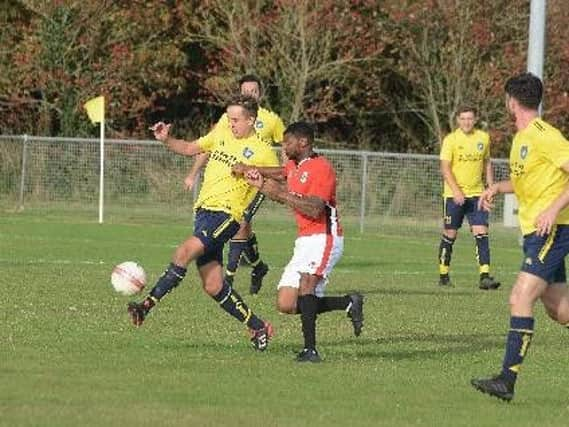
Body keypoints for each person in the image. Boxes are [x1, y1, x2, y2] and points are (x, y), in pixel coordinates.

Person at [127, 95, 279, 351]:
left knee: (184, 251)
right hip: (204, 214)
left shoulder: (263, 150)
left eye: (235, 120)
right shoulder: (221, 134)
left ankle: (146, 306)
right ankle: (258, 325)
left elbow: (277, 184)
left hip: (227, 215)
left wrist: (258, 178)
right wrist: (166, 140)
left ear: (251, 120)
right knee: (213, 286)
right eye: (229, 119)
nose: (230, 124)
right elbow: (189, 148)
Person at [471, 72, 569, 401]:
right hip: (535, 232)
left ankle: (506, 380)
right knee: (559, 308)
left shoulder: (545, 135)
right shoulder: (521, 139)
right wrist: (498, 187)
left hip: (553, 230)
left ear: (512, 101)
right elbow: (529, 182)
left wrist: (554, 210)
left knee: (520, 297)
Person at [233, 121, 364, 363]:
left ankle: (310, 350)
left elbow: (315, 209)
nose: (284, 146)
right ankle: (348, 302)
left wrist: (278, 193)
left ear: (303, 142)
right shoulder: (294, 165)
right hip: (304, 240)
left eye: (287, 142)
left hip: (324, 237)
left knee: (306, 285)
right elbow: (281, 173)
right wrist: (250, 170)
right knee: (286, 304)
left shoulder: (321, 168)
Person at [184, 74, 286, 295]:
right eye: (246, 90)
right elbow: (209, 146)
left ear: (260, 93)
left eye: (254, 90)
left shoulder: (272, 120)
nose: (250, 94)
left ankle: (229, 278)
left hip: (257, 179)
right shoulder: (227, 119)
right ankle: (258, 267)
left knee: (240, 221)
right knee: (243, 226)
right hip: (232, 179)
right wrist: (194, 172)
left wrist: (288, 173)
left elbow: (286, 146)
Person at [438, 105, 500, 290]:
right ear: (458, 120)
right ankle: (443, 275)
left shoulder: (483, 138)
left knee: (481, 233)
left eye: (470, 118)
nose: (466, 122)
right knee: (450, 235)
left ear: (475, 119)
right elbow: (445, 168)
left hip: (477, 195)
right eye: (463, 118)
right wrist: (456, 191)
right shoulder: (451, 140)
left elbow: (487, 163)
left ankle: (485, 276)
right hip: (453, 196)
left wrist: (490, 188)